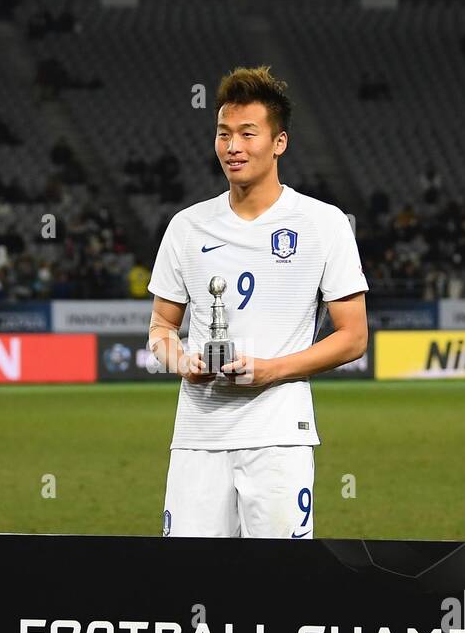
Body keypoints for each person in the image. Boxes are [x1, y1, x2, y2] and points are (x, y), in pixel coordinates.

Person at [145, 66, 368, 539]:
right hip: (198, 438)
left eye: (248, 133)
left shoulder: (323, 224)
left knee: (280, 586)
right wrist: (182, 361)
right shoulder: (186, 226)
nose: (232, 147)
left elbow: (353, 337)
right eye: (223, 134)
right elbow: (160, 328)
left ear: (279, 142)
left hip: (279, 437)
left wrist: (271, 370)